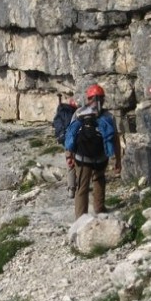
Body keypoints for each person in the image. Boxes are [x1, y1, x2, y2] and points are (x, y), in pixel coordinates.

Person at [65, 84, 121, 219]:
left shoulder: (79, 113)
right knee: (99, 181)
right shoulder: (109, 116)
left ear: (88, 98)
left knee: (82, 188)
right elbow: (115, 139)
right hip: (101, 157)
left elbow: (70, 135)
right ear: (103, 98)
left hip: (82, 157)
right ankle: (100, 209)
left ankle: (80, 217)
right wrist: (118, 160)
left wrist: (69, 156)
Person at [52, 95, 79, 198]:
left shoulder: (61, 111)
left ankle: (71, 190)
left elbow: (54, 124)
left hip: (66, 142)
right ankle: (82, 184)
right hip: (78, 140)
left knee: (70, 164)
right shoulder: (76, 113)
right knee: (80, 162)